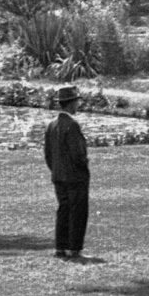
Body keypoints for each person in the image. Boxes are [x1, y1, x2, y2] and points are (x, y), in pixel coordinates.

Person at [43, 85, 90, 260]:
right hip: (75, 176)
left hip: (58, 176)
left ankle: (60, 247)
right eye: (77, 102)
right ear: (71, 104)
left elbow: (48, 154)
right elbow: (78, 154)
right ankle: (74, 248)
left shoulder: (51, 125)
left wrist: (55, 169)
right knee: (77, 212)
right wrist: (84, 165)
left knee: (63, 210)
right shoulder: (72, 125)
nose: (78, 105)